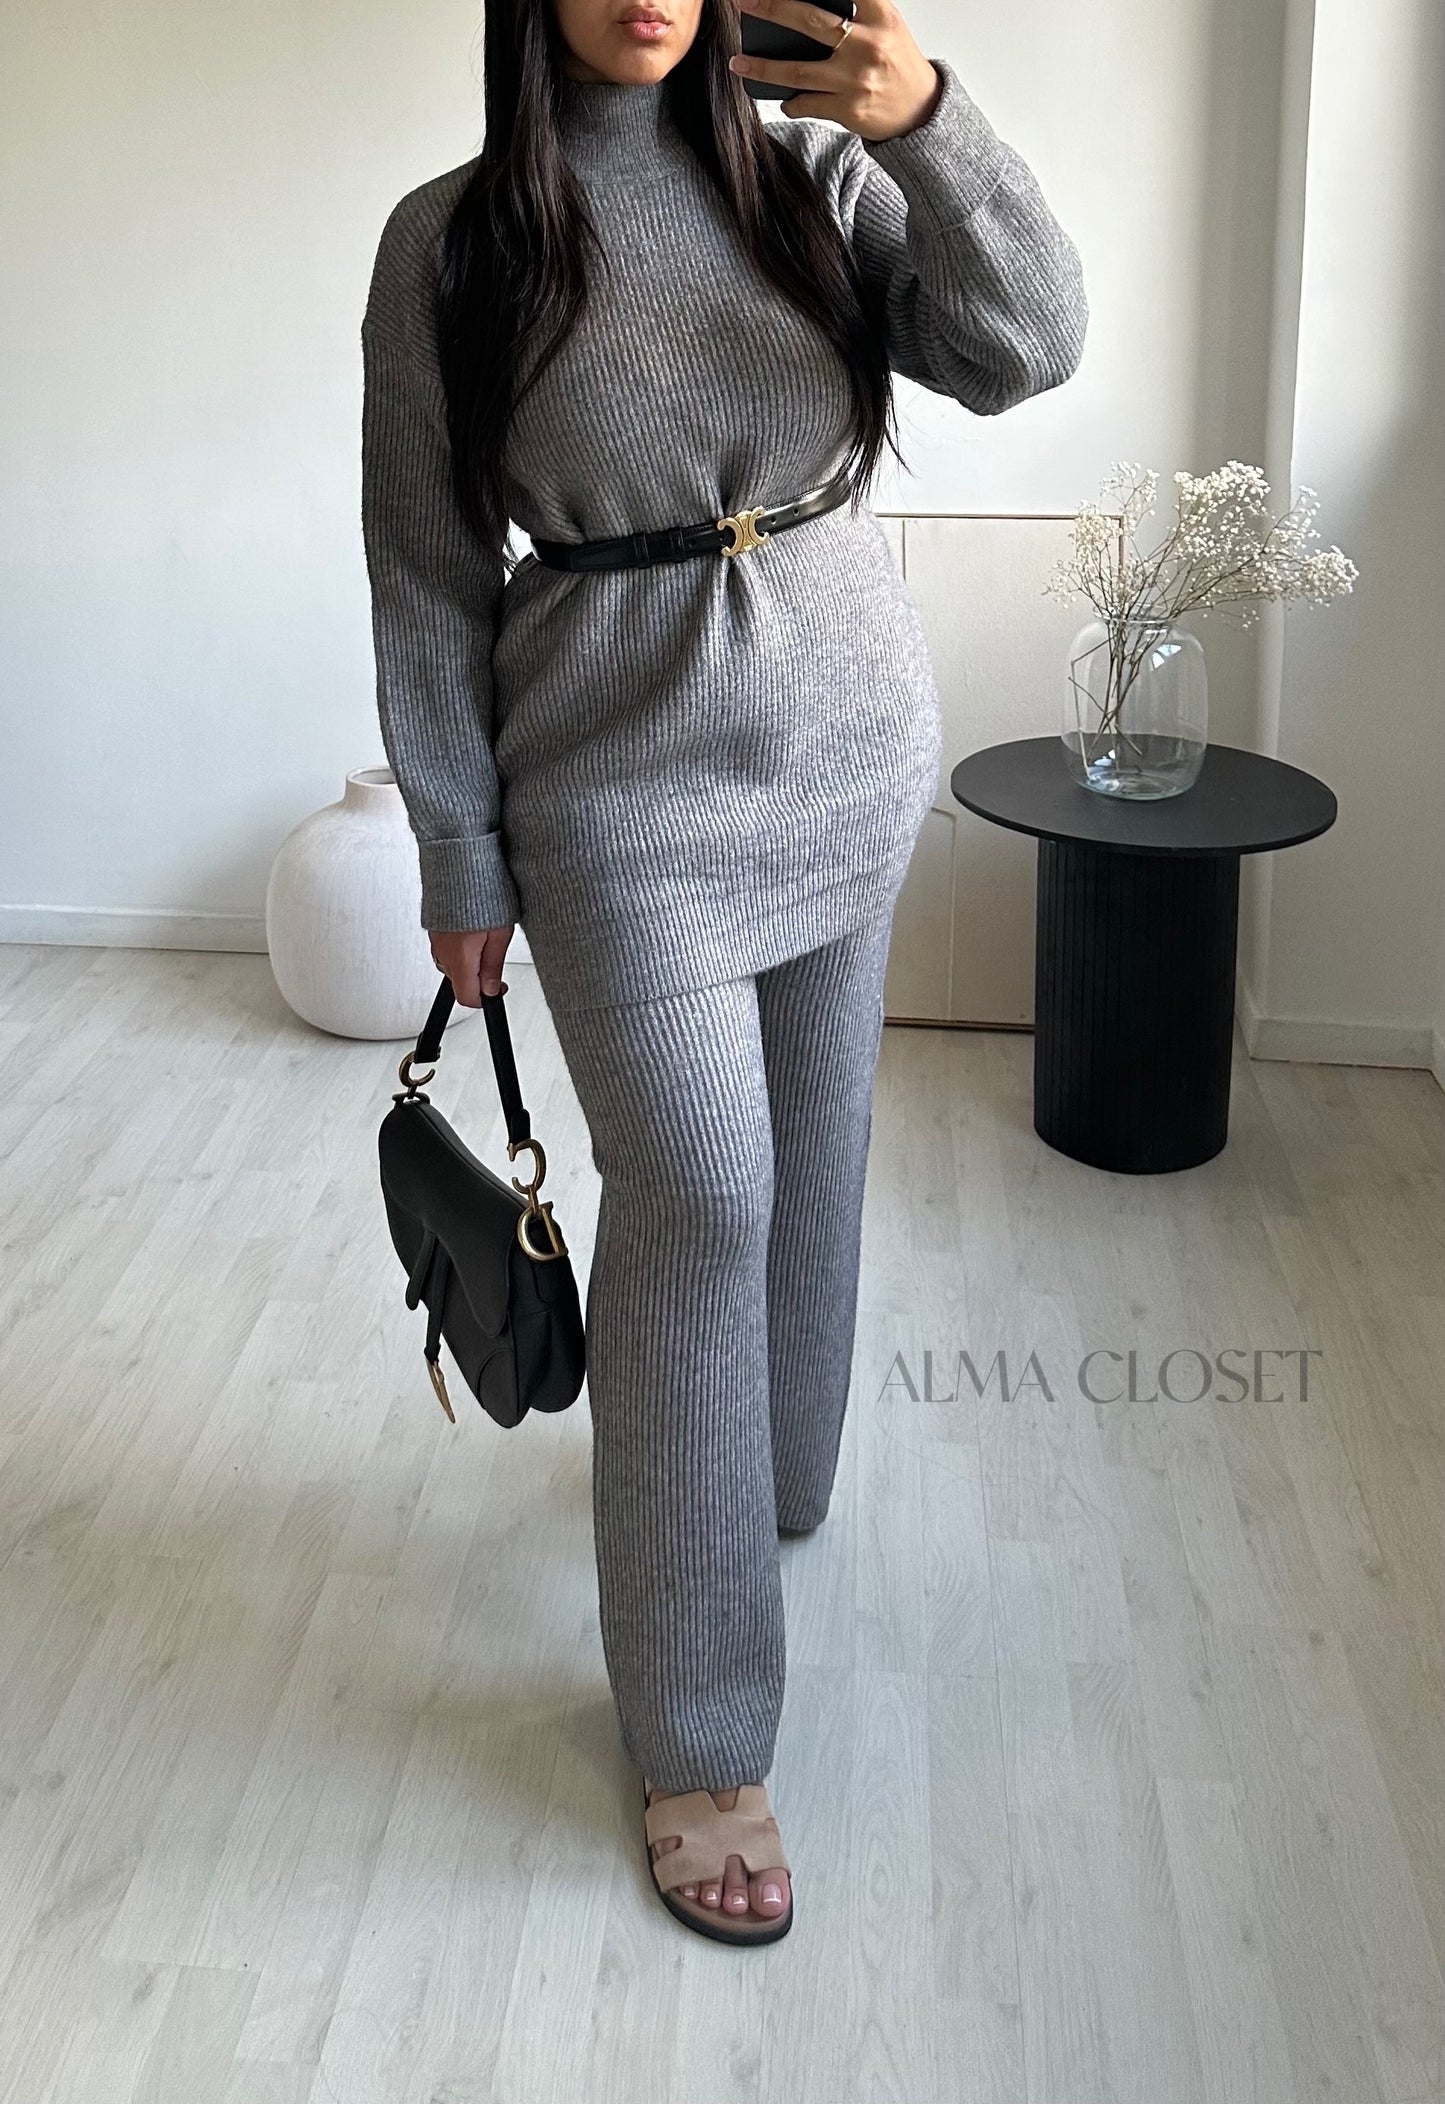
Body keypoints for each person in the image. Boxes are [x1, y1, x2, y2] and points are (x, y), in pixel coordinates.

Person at [360, 0, 1087, 1945]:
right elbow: (426, 565)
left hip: (848, 747)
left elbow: (1028, 345)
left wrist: (931, 123)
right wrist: (457, 845)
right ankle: (696, 1734)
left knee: (817, 1155)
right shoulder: (453, 245)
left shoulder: (818, 175)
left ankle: (761, 1486)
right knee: (701, 1191)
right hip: (619, 795)